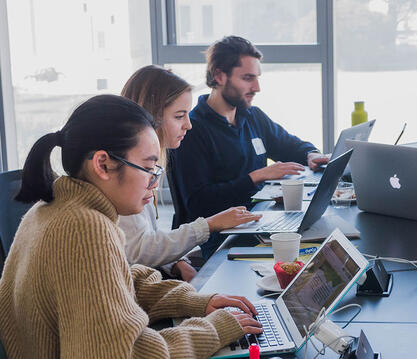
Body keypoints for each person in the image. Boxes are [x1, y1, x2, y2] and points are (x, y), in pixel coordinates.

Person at [0, 94, 262, 358]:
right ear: (103, 164)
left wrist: (194, 300)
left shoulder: (53, 207)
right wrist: (213, 330)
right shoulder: (84, 228)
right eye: (148, 168)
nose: (154, 183)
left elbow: (118, 282)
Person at [169, 35, 329, 257]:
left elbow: (289, 145)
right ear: (219, 76)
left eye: (257, 78)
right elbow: (198, 203)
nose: (257, 87)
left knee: (322, 243)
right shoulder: (191, 130)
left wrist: (311, 154)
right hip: (222, 238)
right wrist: (256, 177)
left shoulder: (252, 116)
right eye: (247, 78)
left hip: (258, 222)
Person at [119, 65, 262, 282]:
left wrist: (176, 263)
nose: (188, 125)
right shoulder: (127, 173)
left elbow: (144, 239)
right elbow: (138, 250)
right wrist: (210, 224)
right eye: (179, 116)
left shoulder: (149, 164)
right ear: (151, 118)